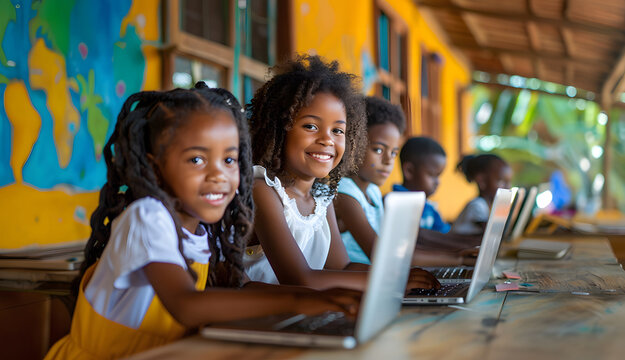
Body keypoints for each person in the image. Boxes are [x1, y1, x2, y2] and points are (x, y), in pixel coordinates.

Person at [44, 83, 360, 359]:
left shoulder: (206, 226)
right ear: (155, 167)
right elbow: (186, 305)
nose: (218, 175)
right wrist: (296, 301)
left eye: (229, 160)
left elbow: (240, 289)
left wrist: (319, 299)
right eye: (196, 159)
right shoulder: (147, 217)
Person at [243, 55, 439, 291]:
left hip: (303, 316)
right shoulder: (263, 191)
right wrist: (391, 280)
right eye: (311, 126)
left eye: (338, 130)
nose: (327, 139)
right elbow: (300, 280)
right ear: (279, 129)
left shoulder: (321, 196)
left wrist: (401, 273)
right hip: (258, 322)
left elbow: (341, 267)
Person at [333, 96, 404, 264]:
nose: (388, 160)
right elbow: (382, 255)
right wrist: (457, 258)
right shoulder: (343, 192)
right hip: (353, 282)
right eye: (379, 150)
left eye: (394, 153)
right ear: (353, 145)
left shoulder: (373, 191)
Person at [392, 137, 451, 233]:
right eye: (432, 175)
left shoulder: (429, 208)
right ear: (409, 171)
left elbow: (445, 235)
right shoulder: (393, 205)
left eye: (438, 176)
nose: (437, 182)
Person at [451, 153, 512, 235]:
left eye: (508, 182)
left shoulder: (488, 205)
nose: (508, 187)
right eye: (501, 181)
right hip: (455, 246)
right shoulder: (477, 205)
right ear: (482, 181)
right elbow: (492, 230)